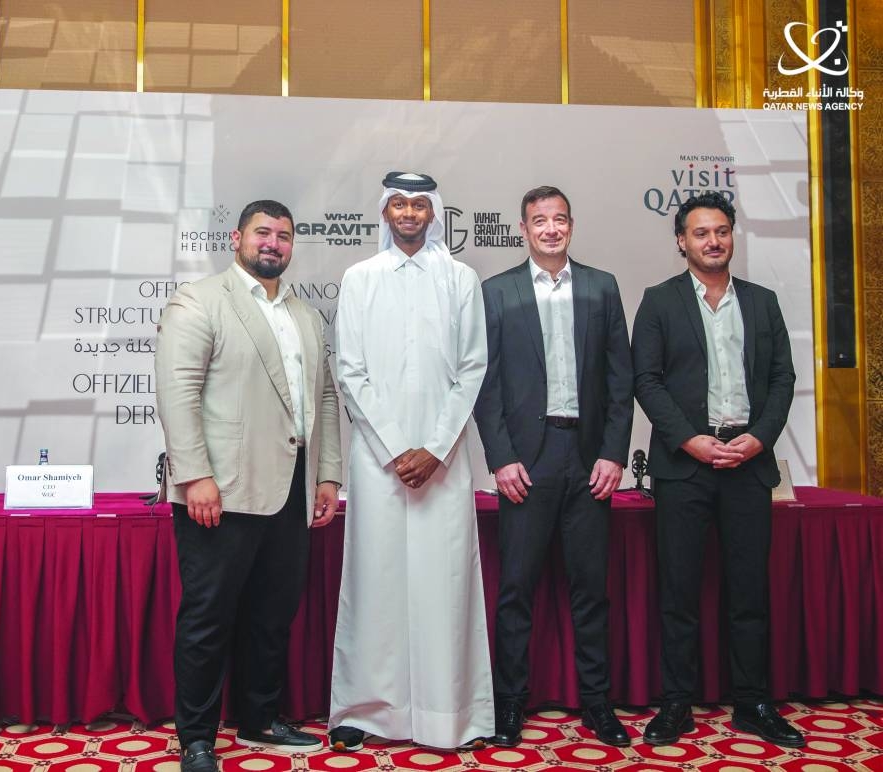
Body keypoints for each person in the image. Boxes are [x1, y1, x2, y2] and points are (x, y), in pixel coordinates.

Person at [155, 200, 343, 772]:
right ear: (237, 237)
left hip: (290, 491)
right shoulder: (200, 300)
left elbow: (325, 399)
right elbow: (178, 393)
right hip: (220, 492)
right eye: (263, 232)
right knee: (209, 617)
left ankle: (261, 718)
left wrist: (328, 474)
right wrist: (195, 478)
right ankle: (197, 738)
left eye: (284, 236)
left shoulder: (305, 315)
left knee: (272, 613)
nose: (273, 243)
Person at [327, 172, 494, 752]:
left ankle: (451, 714)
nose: (408, 213)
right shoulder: (359, 278)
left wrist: (436, 447)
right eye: (398, 204)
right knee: (375, 581)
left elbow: (472, 368)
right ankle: (365, 711)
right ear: (384, 211)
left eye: (419, 205)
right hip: (380, 462)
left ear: (433, 212)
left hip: (444, 463)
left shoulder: (461, 279)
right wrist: (399, 448)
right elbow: (350, 371)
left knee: (444, 584)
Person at [631, 192, 802, 748]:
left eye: (722, 231)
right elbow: (646, 381)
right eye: (701, 232)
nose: (713, 241)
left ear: (732, 237)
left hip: (748, 464)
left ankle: (752, 702)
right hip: (686, 468)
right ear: (681, 241)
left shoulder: (762, 301)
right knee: (678, 593)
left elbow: (781, 379)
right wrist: (690, 441)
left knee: (749, 592)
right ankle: (677, 703)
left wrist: (759, 438)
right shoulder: (658, 302)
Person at [474, 185, 634, 747]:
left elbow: (622, 380)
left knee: (591, 589)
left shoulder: (601, 287)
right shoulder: (497, 292)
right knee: (515, 589)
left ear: (571, 225)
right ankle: (509, 705)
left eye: (559, 219)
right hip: (527, 462)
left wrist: (615, 452)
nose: (550, 229)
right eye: (539, 221)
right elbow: (485, 385)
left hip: (589, 458)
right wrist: (501, 459)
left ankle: (598, 705)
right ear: (523, 228)